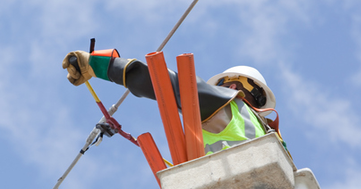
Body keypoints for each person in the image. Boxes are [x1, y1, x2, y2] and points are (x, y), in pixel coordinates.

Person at [62, 49, 279, 155]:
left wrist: (97, 65)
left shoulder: (232, 106)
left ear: (231, 86)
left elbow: (168, 85)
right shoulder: (270, 138)